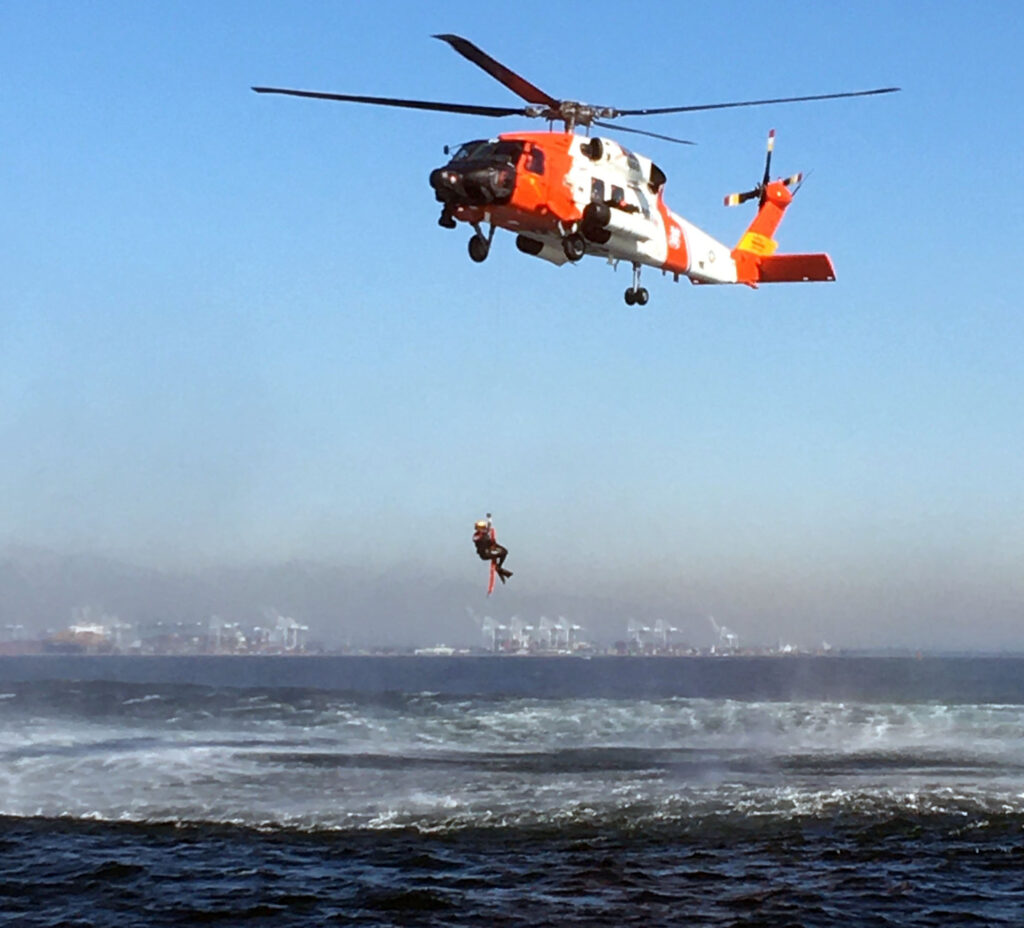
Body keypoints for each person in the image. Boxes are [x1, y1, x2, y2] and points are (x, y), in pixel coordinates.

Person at [473, 517, 513, 583]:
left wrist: (489, 519)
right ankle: (499, 568)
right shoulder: (477, 536)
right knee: (502, 552)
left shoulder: (484, 533)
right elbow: (481, 540)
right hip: (485, 553)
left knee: (504, 551)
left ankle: (499, 567)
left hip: (490, 550)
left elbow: (488, 528)